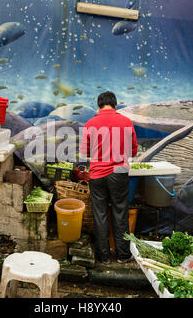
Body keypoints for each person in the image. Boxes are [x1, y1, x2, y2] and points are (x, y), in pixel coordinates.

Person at [79, 91, 138, 264]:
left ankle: (103, 257)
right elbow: (133, 150)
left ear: (98, 106)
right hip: (119, 173)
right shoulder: (126, 122)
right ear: (115, 105)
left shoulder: (90, 123)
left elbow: (84, 151)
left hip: (97, 174)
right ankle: (123, 255)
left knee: (100, 214)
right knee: (120, 213)